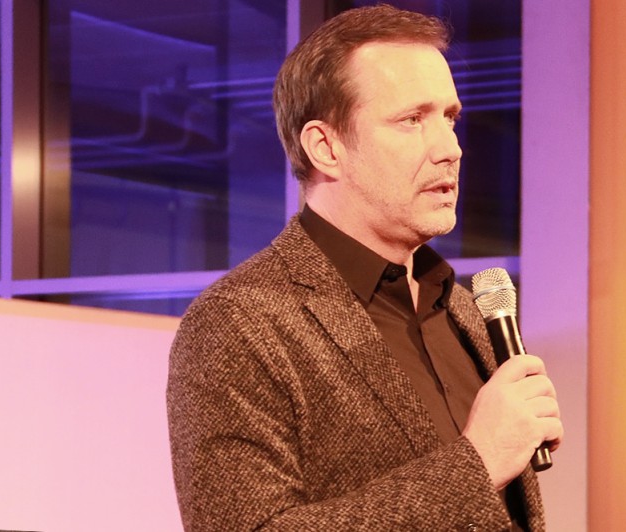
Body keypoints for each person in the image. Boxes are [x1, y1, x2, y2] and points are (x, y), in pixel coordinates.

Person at [166, 5, 563, 531]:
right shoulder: (239, 324)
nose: (450, 148)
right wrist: (479, 462)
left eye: (449, 118)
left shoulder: (467, 311)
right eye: (412, 120)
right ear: (326, 148)